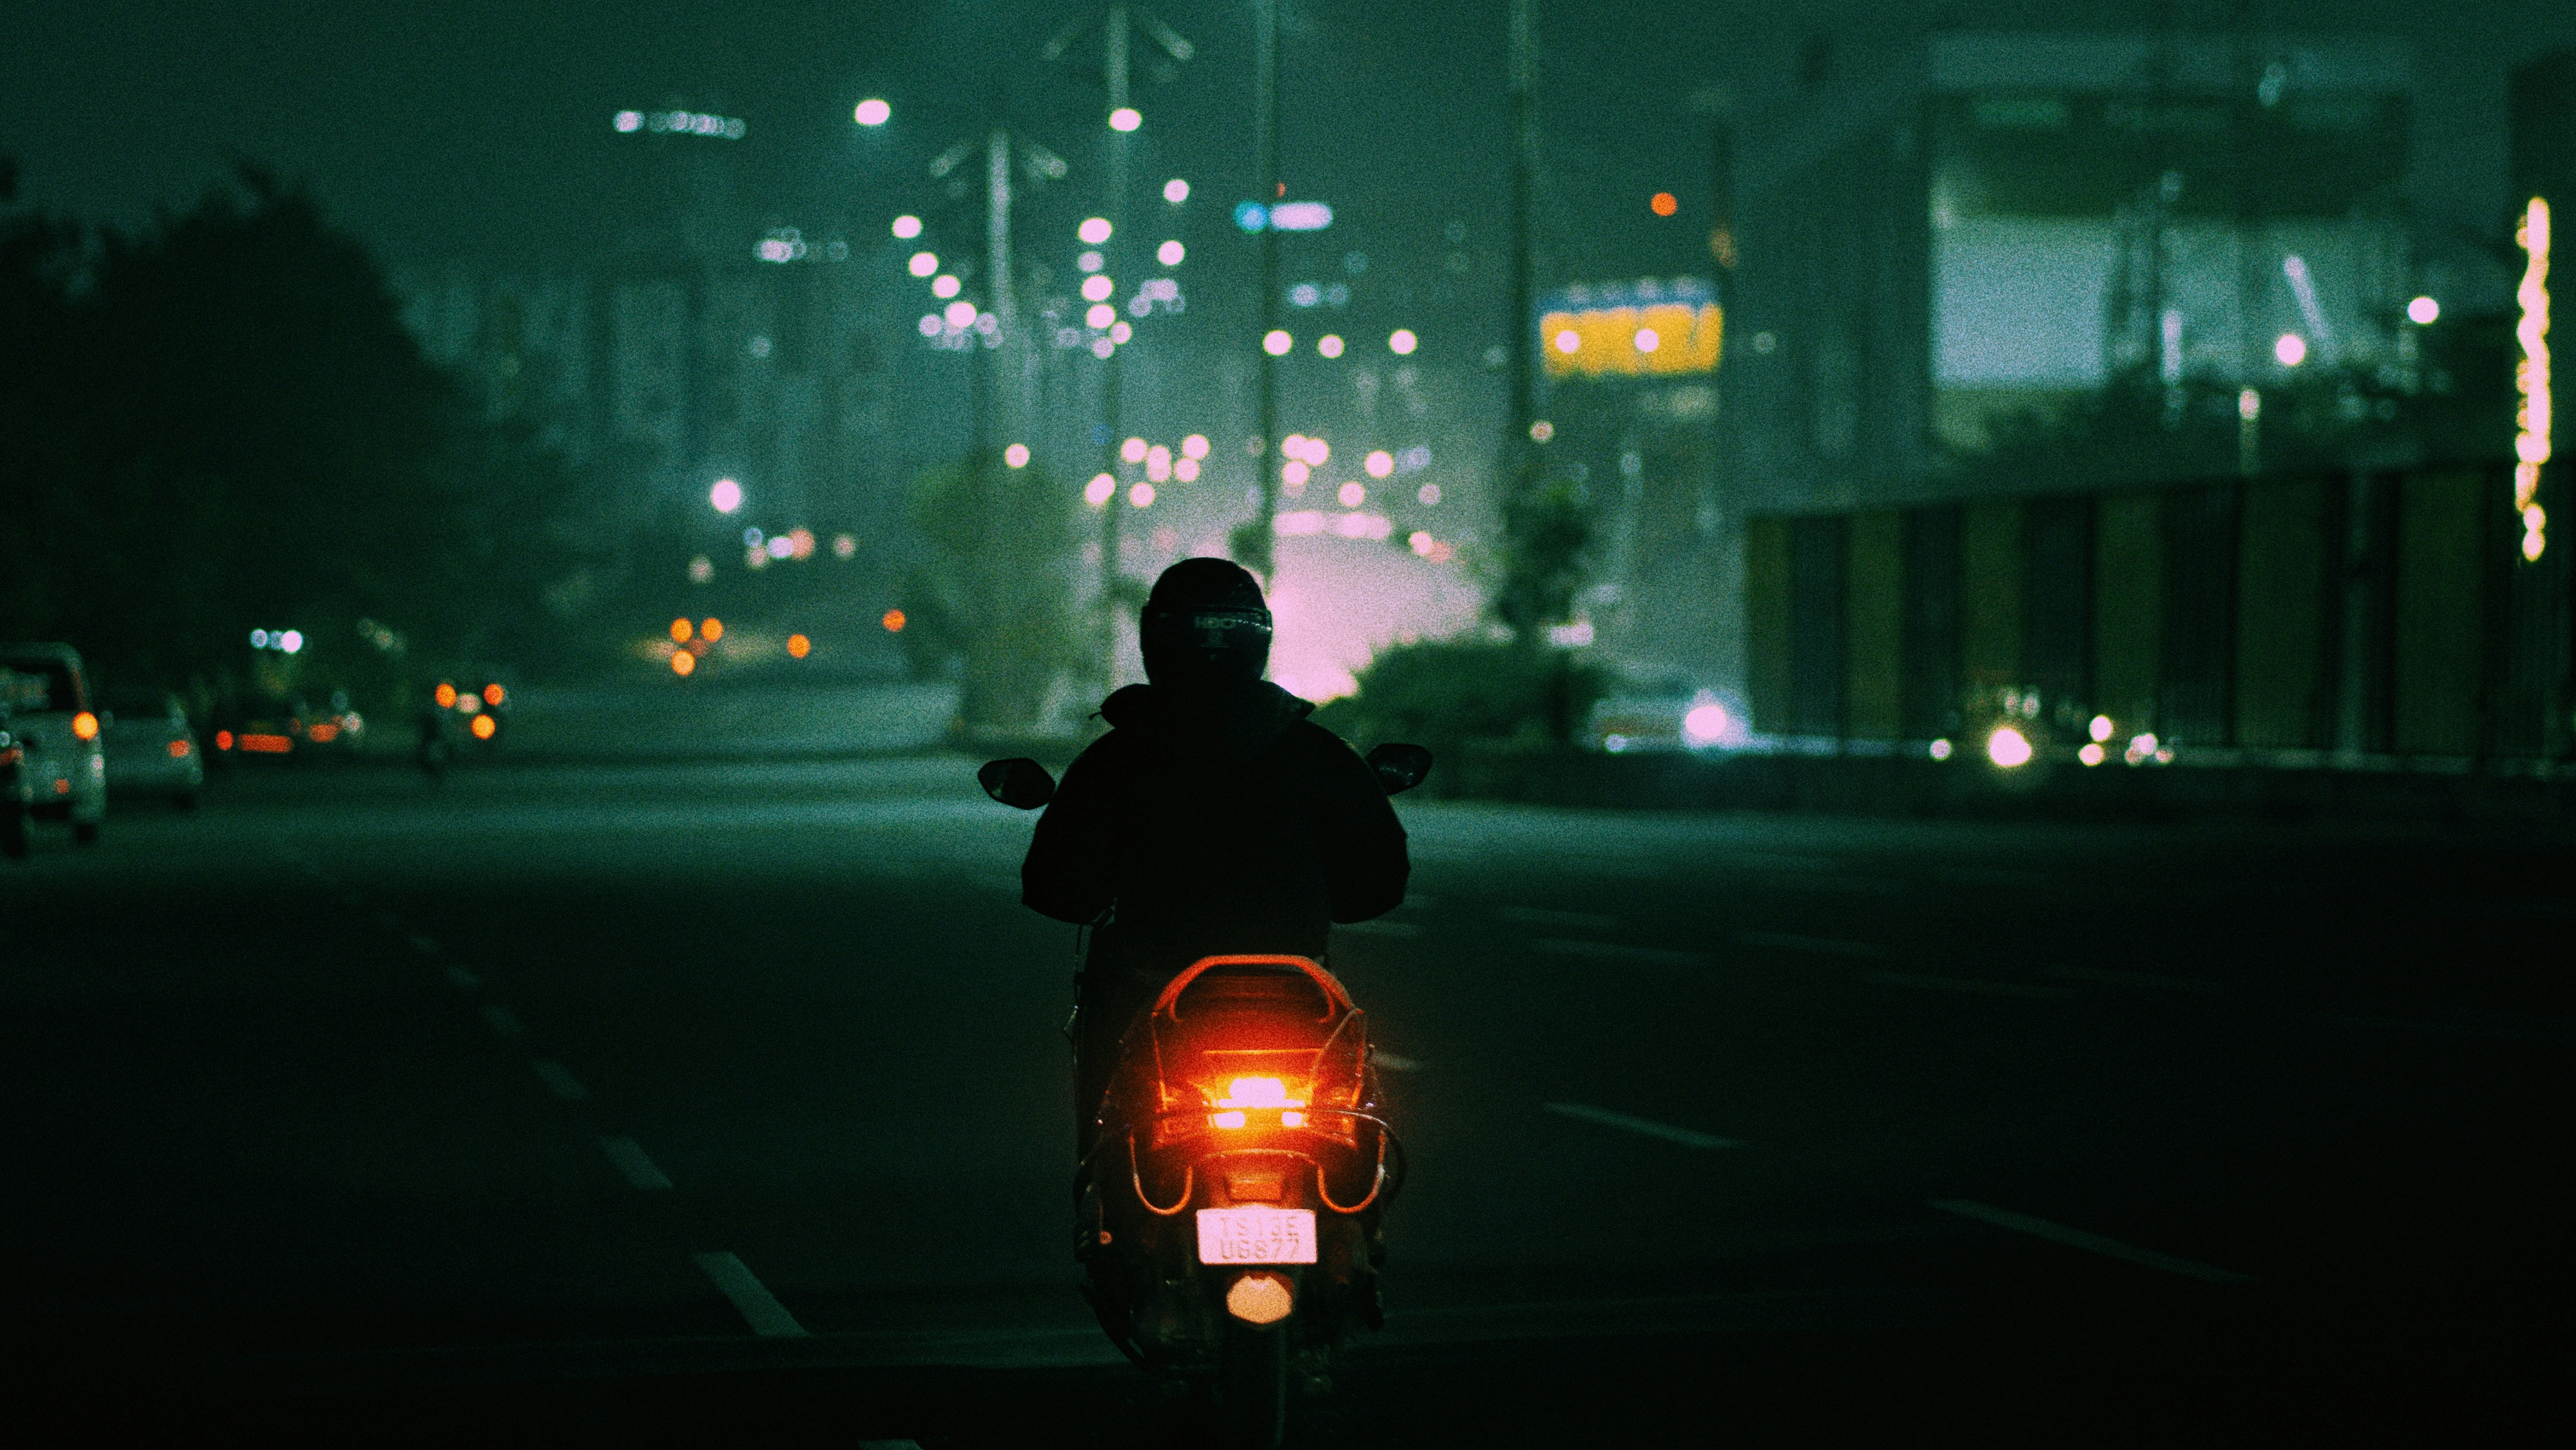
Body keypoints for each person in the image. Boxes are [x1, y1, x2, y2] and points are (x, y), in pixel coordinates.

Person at [1021, 558, 1410, 1157]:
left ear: (1156, 638)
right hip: (1295, 992)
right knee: (1352, 1107)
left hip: (1148, 987)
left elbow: (1057, 886)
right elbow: (1377, 884)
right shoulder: (1321, 756)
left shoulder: (1116, 760)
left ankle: (1099, 1183)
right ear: (1258, 636)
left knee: (1110, 1118)